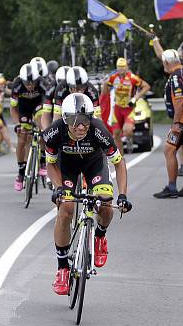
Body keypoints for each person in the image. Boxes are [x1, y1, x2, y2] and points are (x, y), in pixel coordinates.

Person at [45, 93, 131, 295]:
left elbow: (119, 163)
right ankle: (63, 268)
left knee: (105, 205)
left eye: (85, 121)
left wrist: (123, 195)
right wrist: (58, 188)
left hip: (94, 165)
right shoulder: (53, 132)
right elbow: (50, 165)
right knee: (65, 209)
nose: (81, 127)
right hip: (66, 168)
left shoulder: (99, 130)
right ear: (65, 119)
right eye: (75, 122)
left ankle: (100, 235)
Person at [154, 49, 183, 199]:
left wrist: (175, 125)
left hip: (182, 121)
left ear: (166, 62)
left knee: (168, 150)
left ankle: (171, 187)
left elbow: (179, 103)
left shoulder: (175, 77)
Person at [10, 63, 46, 191]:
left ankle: (43, 160)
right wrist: (17, 124)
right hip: (23, 108)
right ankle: (21, 172)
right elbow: (13, 108)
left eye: (33, 83)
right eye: (27, 83)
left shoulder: (42, 83)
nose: (30, 85)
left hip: (39, 105)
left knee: (42, 126)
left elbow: (48, 105)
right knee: (21, 138)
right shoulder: (17, 85)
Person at [103, 58, 150, 153]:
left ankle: (129, 139)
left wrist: (136, 97)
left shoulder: (133, 78)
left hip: (129, 109)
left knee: (127, 130)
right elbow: (105, 93)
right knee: (115, 134)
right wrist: (104, 84)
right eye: (119, 68)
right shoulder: (113, 78)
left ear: (127, 67)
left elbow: (146, 86)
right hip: (117, 109)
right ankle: (120, 156)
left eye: (123, 67)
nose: (121, 70)